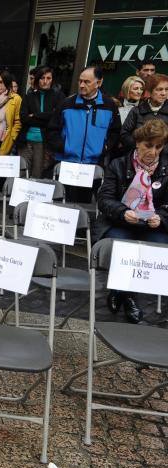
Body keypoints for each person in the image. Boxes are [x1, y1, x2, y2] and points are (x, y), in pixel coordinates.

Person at [95, 120, 168, 324]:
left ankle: (124, 294)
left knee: (159, 247)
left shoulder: (166, 168)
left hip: (153, 226)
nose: (153, 152)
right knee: (120, 245)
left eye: (158, 146)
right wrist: (123, 212)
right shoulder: (118, 164)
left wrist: (161, 217)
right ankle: (126, 295)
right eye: (148, 145)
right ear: (137, 142)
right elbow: (104, 199)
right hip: (120, 223)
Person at [47, 65, 120, 202]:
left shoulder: (109, 105)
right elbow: (52, 130)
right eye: (80, 81)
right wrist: (64, 147)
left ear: (99, 83)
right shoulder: (67, 103)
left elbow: (115, 132)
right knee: (61, 202)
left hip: (92, 165)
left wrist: (103, 148)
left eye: (86, 82)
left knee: (83, 203)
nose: (81, 85)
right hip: (67, 162)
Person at [18, 66, 64, 179]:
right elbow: (24, 118)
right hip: (26, 140)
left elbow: (55, 117)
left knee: (37, 175)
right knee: (22, 173)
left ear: (52, 80)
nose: (45, 81)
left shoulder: (58, 96)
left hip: (44, 141)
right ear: (38, 79)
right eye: (42, 78)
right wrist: (45, 117)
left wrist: (35, 115)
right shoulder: (29, 96)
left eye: (48, 78)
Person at [120, 74, 168, 151]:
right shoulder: (136, 111)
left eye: (167, 89)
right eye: (159, 89)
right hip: (138, 155)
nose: (164, 93)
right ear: (149, 92)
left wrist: (159, 150)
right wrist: (140, 147)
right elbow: (124, 134)